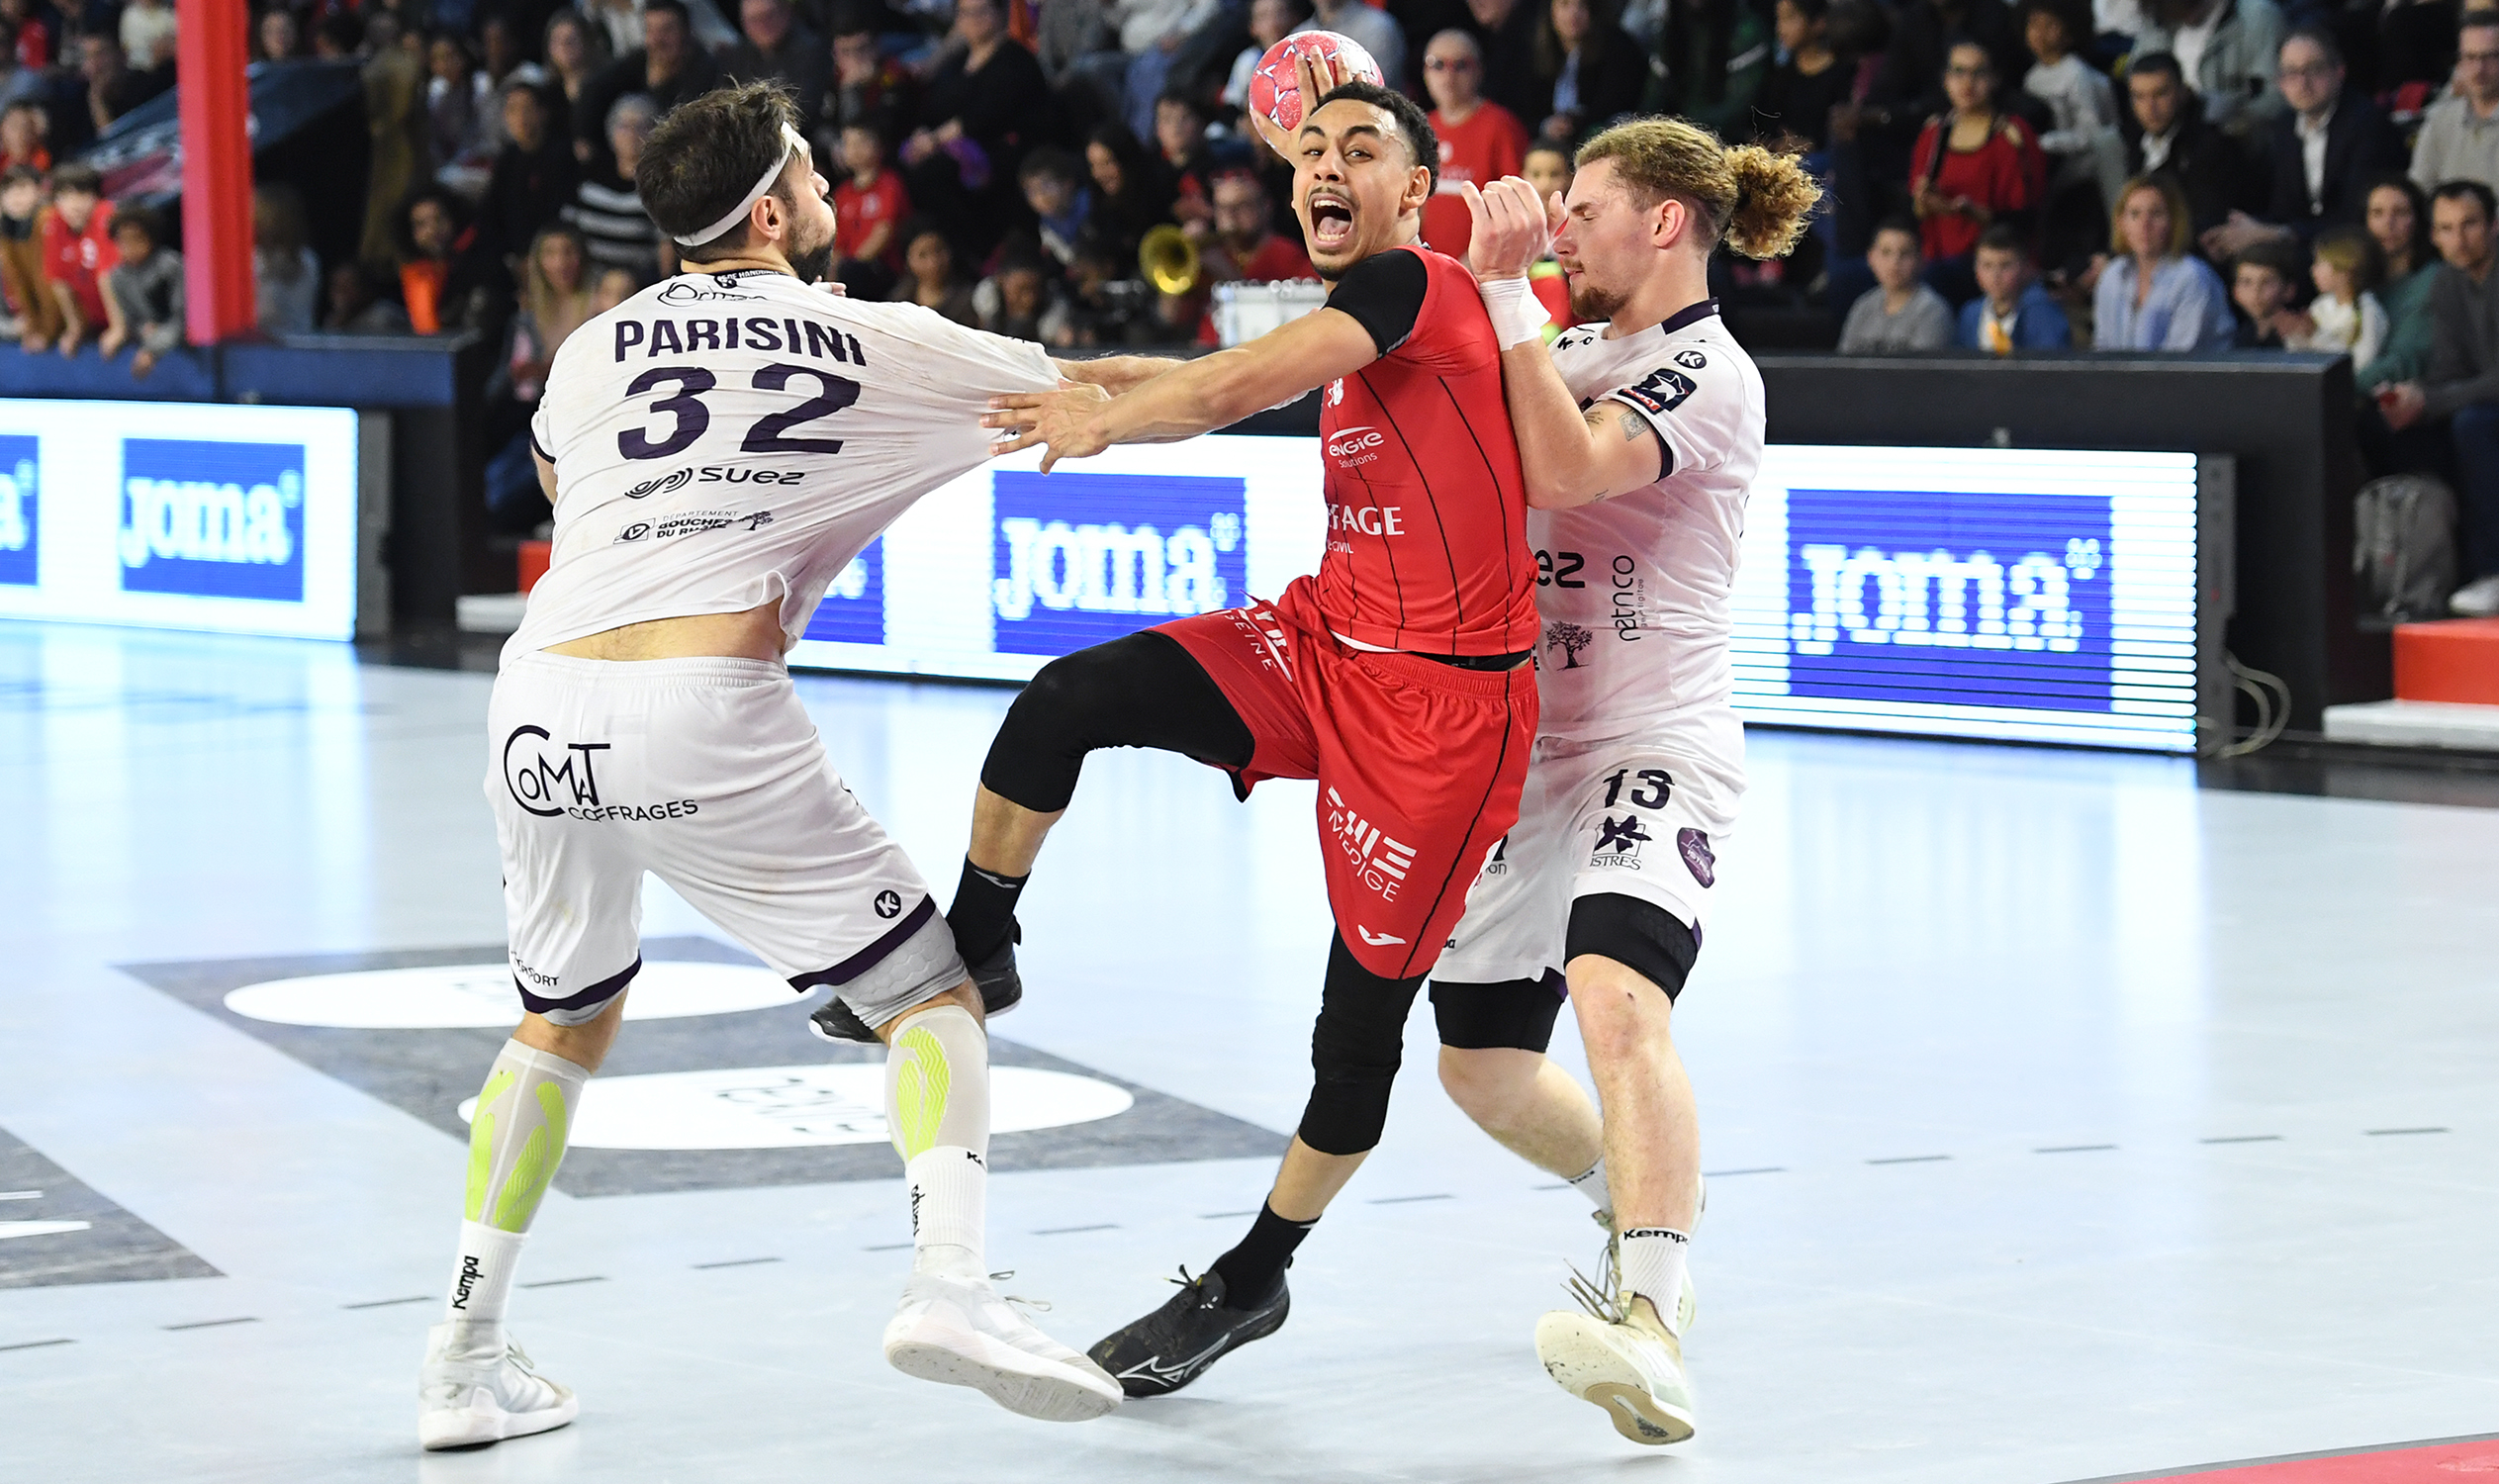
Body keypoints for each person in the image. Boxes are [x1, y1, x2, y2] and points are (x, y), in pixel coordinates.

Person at [420, 80, 1131, 1452]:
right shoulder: (871, 333)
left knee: (558, 1019)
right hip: (701, 704)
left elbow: (569, 490)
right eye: (809, 173)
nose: (827, 191)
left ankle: (461, 1358)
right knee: (929, 994)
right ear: (767, 211)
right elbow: (1094, 394)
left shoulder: (591, 343)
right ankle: (951, 1287)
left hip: (536, 703)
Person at [961, 70, 1540, 1397]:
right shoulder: (1362, 313)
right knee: (1066, 700)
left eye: (1360, 149)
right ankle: (979, 945)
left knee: (1355, 1040)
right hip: (1324, 643)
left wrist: (1108, 421)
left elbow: (1235, 391)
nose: (1325, 165)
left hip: (1445, 719)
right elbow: (1230, 374)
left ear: (1418, 189)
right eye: (1310, 149)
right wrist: (1100, 377)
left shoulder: (1417, 282)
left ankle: (1253, 1275)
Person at [1439, 116, 1816, 1448]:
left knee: (1613, 996)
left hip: (1653, 743)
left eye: (1582, 208)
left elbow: (1566, 466)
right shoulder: (1570, 348)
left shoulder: (1707, 370)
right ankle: (1640, 1192)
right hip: (1529, 756)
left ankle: (1650, 1321)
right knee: (1480, 1066)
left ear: (1663, 223)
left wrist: (1502, 293)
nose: (1561, 230)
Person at [2377, 181, 2499, 615]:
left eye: (2469, 225)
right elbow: (2450, 369)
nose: (2459, 239)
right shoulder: (2446, 282)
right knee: (2392, 429)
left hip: (2484, 409)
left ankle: (2491, 570)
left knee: (2472, 425)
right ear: (2433, 235)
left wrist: (2433, 401)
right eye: (2446, 228)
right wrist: (2413, 397)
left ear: (2494, 226)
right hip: (2478, 402)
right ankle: (2414, 577)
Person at [2202, 28, 2401, 260]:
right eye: (2291, 73)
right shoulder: (2286, 126)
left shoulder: (2368, 125)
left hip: (2354, 250)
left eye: (2314, 69)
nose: (2303, 83)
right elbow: (2284, 210)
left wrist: (2276, 233)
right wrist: (2242, 230)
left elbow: (2356, 217)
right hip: (2305, 246)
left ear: (2339, 71)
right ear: (2280, 82)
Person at [1908, 40, 2044, 303]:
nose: (1967, 83)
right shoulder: (1933, 132)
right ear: (1946, 79)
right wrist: (1925, 202)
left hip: (1995, 263)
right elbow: (1916, 209)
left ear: (1994, 79)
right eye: (1958, 72)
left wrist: (1976, 214)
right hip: (1935, 256)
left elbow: (2026, 218)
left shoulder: (2012, 135)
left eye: (1978, 73)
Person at [574, 0, 722, 180]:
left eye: (667, 30)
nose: (658, 40)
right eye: (651, 30)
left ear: (686, 33)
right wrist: (585, 138)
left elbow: (684, 124)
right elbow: (593, 90)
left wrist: (658, 85)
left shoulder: (705, 70)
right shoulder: (641, 59)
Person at [2119, 50, 2253, 239]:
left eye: (2160, 94)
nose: (2150, 107)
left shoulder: (2213, 147)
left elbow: (2207, 221)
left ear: (2183, 92)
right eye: (2139, 97)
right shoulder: (2131, 144)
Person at [1422, 29, 1531, 258]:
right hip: (1428, 266)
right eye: (1438, 64)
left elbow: (1516, 205)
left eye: (1461, 65)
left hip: (1483, 266)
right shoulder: (1423, 128)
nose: (1448, 75)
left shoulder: (1501, 126)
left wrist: (1475, 262)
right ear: (1425, 72)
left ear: (1479, 71)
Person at [2092, 172, 2232, 348]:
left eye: (2156, 213)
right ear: (2121, 223)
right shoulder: (2112, 275)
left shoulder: (2192, 277)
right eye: (2135, 214)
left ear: (2174, 221)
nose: (2144, 224)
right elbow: (2103, 347)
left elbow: (2180, 358)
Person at [2128, 0, 2285, 143]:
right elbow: (2136, 84)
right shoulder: (2157, 22)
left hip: (2234, 144)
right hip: (2166, 144)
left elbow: (2276, 96)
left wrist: (2236, 114)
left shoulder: (2255, 17)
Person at [565, 94, 666, 278]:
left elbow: (665, 251)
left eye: (641, 126)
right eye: (624, 126)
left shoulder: (660, 185)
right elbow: (567, 230)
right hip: (586, 280)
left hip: (638, 282)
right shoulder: (589, 174)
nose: (632, 134)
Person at [481, 81, 582, 264]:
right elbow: (494, 213)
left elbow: (562, 211)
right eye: (513, 110)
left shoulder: (563, 155)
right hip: (514, 257)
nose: (521, 117)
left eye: (527, 108)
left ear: (543, 112)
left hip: (554, 254)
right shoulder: (506, 159)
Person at [2357, 175, 2439, 392]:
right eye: (2377, 213)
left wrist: (2339, 386)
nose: (2388, 223)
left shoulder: (2431, 280)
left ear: (2418, 220)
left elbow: (2406, 360)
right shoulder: (2356, 278)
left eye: (2400, 213)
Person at [400, 187, 513, 337]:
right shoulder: (411, 273)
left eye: (439, 219)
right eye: (421, 224)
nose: (433, 229)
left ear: (453, 218)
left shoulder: (481, 262)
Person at [2412, 13, 2499, 200]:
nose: (2479, 68)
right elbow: (2418, 194)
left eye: (2489, 57)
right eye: (2470, 57)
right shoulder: (2439, 121)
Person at [1532, 0, 1644, 142]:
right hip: (1550, 142)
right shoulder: (1536, 52)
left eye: (1581, 5)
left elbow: (1611, 106)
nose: (1573, 14)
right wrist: (1546, 125)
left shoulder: (1618, 49)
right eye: (1564, 4)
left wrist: (1574, 125)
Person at [1839, 216, 1953, 349]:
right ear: (1871, 257)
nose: (1894, 262)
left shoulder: (1933, 311)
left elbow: (1925, 362)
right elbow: (1844, 358)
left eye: (1905, 253)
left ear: (1921, 259)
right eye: (1886, 252)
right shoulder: (1862, 307)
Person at [1751, 0, 1852, 150]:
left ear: (1818, 22)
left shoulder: (1843, 73)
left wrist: (1810, 145)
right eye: (1779, 19)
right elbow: (1761, 126)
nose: (1781, 28)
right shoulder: (1779, 75)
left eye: (1789, 18)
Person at [1958, 221, 2072, 347]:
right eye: (1987, 265)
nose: (1995, 276)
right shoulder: (1970, 314)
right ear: (1975, 269)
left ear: (2026, 268)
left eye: (2005, 266)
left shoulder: (2042, 313)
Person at [721, 0, 828, 134]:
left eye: (768, 16)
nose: (762, 26)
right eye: (754, 20)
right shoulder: (737, 56)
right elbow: (724, 103)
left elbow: (804, 110)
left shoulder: (812, 50)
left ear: (786, 12)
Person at [99, 204, 181, 377]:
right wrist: (142, 329)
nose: (129, 246)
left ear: (151, 238)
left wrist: (152, 348)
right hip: (149, 341)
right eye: (122, 241)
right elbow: (131, 320)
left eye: (136, 239)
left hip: (184, 348)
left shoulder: (170, 266)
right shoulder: (117, 277)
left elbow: (182, 319)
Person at [41, 164, 113, 358]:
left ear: (96, 197)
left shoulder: (106, 215)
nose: (74, 204)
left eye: (82, 195)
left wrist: (118, 328)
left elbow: (109, 276)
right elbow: (57, 279)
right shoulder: (54, 222)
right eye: (64, 197)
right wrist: (75, 327)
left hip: (132, 318)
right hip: (93, 319)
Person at [2284, 226, 2383, 366]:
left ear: (2344, 269)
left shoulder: (2368, 311)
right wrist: (2297, 334)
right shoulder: (2321, 306)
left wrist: (2316, 335)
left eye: (2319, 263)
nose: (2313, 270)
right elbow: (2300, 354)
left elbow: (2361, 362)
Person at [1204, 167, 1317, 281]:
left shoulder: (1288, 256)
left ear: (1266, 206)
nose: (1230, 216)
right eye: (1222, 208)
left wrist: (1227, 273)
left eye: (1242, 206)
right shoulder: (1209, 253)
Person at [834, 122, 909, 291]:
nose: (855, 149)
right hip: (848, 270)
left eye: (861, 142)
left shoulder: (890, 184)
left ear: (879, 146)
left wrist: (853, 266)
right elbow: (837, 243)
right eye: (848, 143)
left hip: (882, 269)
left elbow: (884, 231)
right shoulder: (842, 193)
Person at [0, 166, 59, 351]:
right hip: (39, 321)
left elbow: (48, 283)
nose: (15, 196)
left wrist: (47, 332)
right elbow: (17, 282)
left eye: (22, 188)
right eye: (7, 190)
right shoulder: (7, 228)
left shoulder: (47, 221)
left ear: (40, 191)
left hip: (69, 319)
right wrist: (32, 325)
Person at [253, 184, 322, 336]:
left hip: (290, 342)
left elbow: (273, 313)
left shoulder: (305, 260)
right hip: (254, 342)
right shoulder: (253, 257)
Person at [887, 219, 980, 325]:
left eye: (938, 250)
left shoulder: (969, 299)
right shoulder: (898, 302)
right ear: (908, 262)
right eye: (923, 255)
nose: (934, 263)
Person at [2226, 233, 2304, 345]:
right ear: (2235, 291)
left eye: (2267, 282)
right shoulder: (2240, 337)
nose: (2256, 291)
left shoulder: (2298, 335)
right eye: (2246, 282)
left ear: (2289, 290)